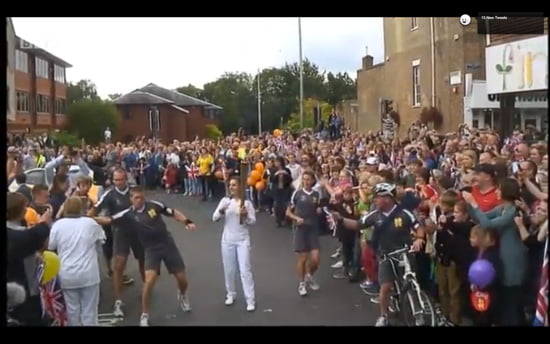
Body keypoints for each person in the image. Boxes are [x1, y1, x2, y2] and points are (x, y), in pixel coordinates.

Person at [95, 186, 196, 326]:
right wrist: (87, 218)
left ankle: (182, 294)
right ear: (131, 199)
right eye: (136, 198)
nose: (139, 200)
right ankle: (144, 314)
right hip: (151, 249)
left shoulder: (154, 206)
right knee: (149, 281)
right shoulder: (127, 214)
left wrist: (187, 221)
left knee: (182, 279)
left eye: (141, 197)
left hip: (167, 244)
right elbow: (107, 219)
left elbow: (173, 213)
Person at [336, 182, 426, 327]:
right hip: (386, 256)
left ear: (388, 198)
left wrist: (420, 239)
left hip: (405, 253)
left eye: (377, 197)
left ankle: (418, 310)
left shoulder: (404, 213)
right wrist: (340, 220)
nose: (374, 200)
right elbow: (358, 225)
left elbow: (418, 227)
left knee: (411, 283)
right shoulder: (375, 215)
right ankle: (383, 316)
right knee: (385, 288)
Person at [87, 168, 145, 317]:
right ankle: (118, 301)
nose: (118, 182)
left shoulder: (135, 191)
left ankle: (146, 290)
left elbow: (145, 207)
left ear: (126, 179)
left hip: (138, 231)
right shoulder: (109, 194)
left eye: (121, 179)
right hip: (121, 233)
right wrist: (84, 219)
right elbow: (95, 208)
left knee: (144, 263)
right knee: (118, 266)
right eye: (116, 180)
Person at [48, 197, 105, 326]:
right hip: (89, 273)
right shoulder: (90, 223)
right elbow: (101, 240)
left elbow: (51, 247)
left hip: (67, 274)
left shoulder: (58, 225)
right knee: (90, 312)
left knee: (72, 312)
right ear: (81, 207)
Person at [7, 192, 52, 326]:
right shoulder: (18, 236)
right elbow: (32, 237)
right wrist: (43, 223)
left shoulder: (19, 232)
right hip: (24, 295)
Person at [212, 177, 257, 311]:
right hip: (227, 240)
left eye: (234, 185)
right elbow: (214, 218)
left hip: (242, 239)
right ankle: (230, 294)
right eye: (230, 185)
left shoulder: (247, 203)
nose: (231, 187)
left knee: (245, 270)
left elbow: (252, 221)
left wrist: (246, 215)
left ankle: (250, 299)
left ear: (240, 187)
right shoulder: (225, 201)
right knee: (229, 269)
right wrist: (222, 211)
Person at [286, 170, 322, 296]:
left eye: (308, 179)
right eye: (304, 179)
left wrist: (319, 210)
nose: (306, 182)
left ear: (313, 181)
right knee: (303, 258)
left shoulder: (317, 194)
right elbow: (288, 212)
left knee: (316, 259)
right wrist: (296, 218)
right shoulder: (297, 194)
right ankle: (302, 284)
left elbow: (319, 207)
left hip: (312, 229)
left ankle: (309, 275)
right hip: (300, 229)